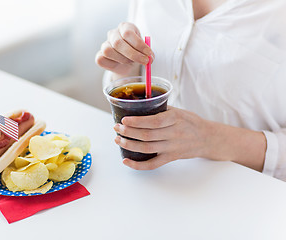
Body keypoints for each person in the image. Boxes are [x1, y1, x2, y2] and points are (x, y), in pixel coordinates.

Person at [95, 0, 286, 181]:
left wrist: (209, 138)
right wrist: (124, 68)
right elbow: (139, 75)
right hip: (154, 182)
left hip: (252, 194)